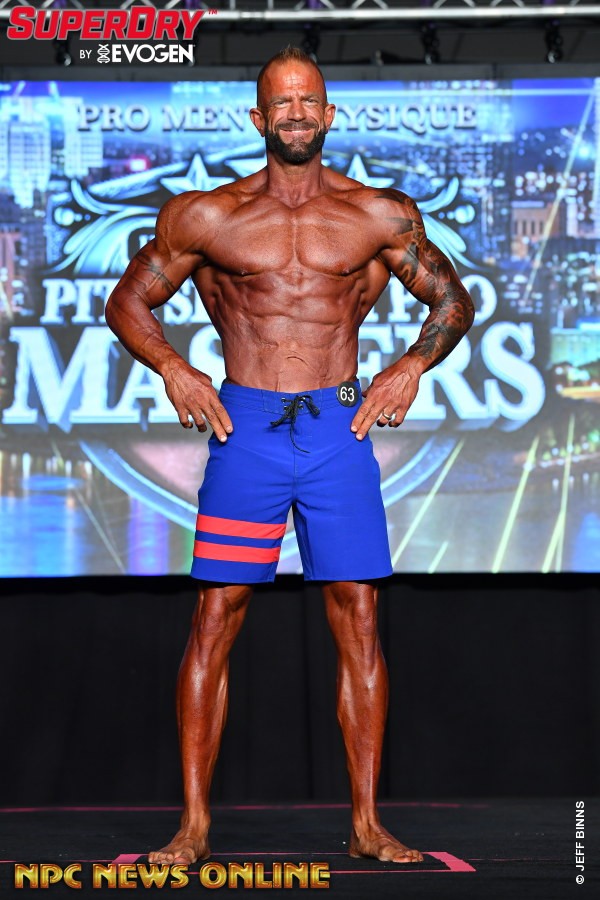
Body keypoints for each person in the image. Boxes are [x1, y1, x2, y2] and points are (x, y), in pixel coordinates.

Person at [105, 45, 474, 866]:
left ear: (329, 114)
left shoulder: (379, 216)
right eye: (282, 102)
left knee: (359, 615)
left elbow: (453, 298)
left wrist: (409, 366)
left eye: (309, 101)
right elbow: (127, 300)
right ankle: (193, 826)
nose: (297, 114)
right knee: (216, 617)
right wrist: (174, 369)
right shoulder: (207, 216)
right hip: (248, 432)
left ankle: (368, 824)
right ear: (259, 117)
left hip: (339, 431)